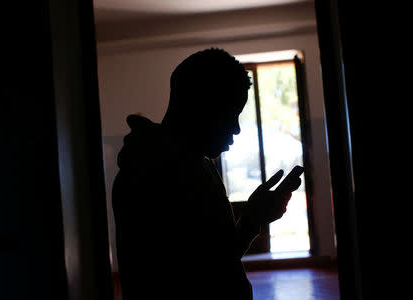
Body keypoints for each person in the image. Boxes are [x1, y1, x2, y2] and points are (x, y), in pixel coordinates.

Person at [112, 48, 302, 300]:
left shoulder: (195, 165)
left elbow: (215, 258)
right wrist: (251, 221)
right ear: (197, 106)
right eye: (228, 114)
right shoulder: (152, 175)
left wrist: (252, 218)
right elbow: (195, 278)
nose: (235, 129)